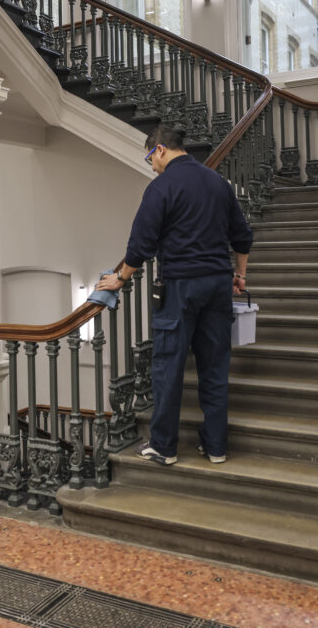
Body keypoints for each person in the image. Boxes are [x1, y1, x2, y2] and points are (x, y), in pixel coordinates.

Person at [96, 125, 252, 466]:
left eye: (150, 158)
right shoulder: (219, 184)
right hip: (218, 285)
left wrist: (120, 278)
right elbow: (242, 237)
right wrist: (239, 275)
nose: (151, 165)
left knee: (169, 366)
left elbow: (140, 245)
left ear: (161, 150)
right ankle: (215, 447)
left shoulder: (161, 187)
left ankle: (164, 447)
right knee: (214, 367)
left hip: (180, 286)